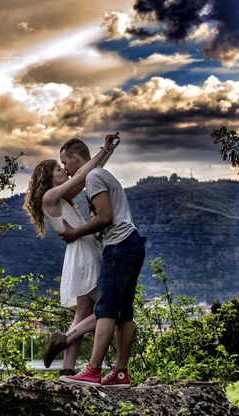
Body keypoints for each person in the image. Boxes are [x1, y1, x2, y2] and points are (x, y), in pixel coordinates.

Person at [23, 133, 120, 376]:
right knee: (109, 310)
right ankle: (64, 339)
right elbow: (81, 175)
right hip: (83, 255)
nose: (64, 171)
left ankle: (67, 370)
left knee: (82, 313)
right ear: (48, 177)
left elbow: (87, 175)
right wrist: (103, 151)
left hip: (82, 251)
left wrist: (106, 152)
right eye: (58, 169)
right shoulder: (49, 197)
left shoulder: (60, 197)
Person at [57, 137, 146, 388]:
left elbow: (106, 217)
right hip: (131, 244)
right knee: (123, 313)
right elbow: (111, 216)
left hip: (119, 247)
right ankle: (120, 373)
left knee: (106, 308)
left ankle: (93, 370)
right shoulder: (98, 175)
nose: (65, 170)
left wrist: (77, 232)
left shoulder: (94, 177)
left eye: (65, 163)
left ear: (76, 158)